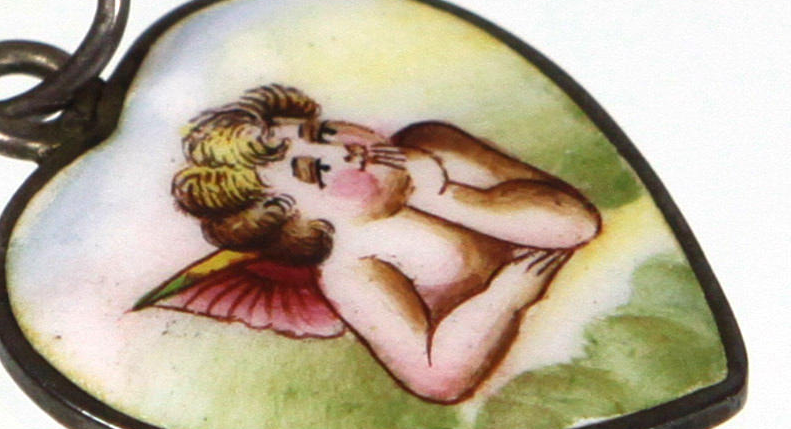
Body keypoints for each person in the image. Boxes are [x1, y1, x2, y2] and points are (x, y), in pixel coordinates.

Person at [152, 84, 600, 404]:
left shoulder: (432, 146)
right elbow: (437, 378)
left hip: (595, 281)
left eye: (322, 134)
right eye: (317, 172)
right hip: (544, 360)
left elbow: (575, 225)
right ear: (297, 221)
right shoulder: (354, 267)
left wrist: (448, 195)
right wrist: (504, 297)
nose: (342, 152)